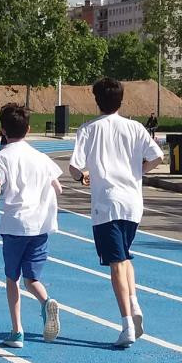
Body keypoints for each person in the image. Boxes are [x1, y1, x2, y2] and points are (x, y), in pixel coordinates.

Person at [69, 77, 165, 348]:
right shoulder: (135, 127)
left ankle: (126, 325)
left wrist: (82, 177)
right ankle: (134, 303)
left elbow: (74, 167)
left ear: (96, 100)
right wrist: (138, 173)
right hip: (133, 203)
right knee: (124, 256)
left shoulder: (88, 130)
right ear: (121, 100)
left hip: (106, 204)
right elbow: (158, 157)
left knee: (116, 264)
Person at [0, 103, 62, 348]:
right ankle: (46, 301)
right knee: (32, 279)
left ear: (3, 131)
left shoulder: (0, 157)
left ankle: (17, 332)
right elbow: (58, 187)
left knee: (12, 278)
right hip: (41, 226)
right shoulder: (41, 158)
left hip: (15, 225)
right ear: (28, 129)